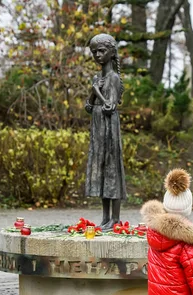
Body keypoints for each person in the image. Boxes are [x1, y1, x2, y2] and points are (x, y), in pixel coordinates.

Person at [84, 33, 127, 231]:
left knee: (112, 171)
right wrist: (93, 92)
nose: (98, 55)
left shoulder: (114, 78)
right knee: (102, 172)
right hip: (99, 131)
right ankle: (105, 218)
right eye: (94, 52)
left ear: (111, 52)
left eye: (102, 51)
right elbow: (89, 106)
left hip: (110, 130)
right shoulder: (97, 78)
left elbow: (110, 106)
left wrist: (96, 91)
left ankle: (115, 219)